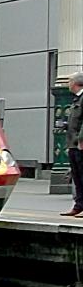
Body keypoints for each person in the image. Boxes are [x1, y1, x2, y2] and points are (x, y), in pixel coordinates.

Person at [61, 72, 83, 216]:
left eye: (69, 81)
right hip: (72, 144)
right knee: (77, 177)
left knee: (82, 176)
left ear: (76, 83)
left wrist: (81, 139)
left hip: (80, 144)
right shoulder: (77, 99)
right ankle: (79, 206)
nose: (68, 83)